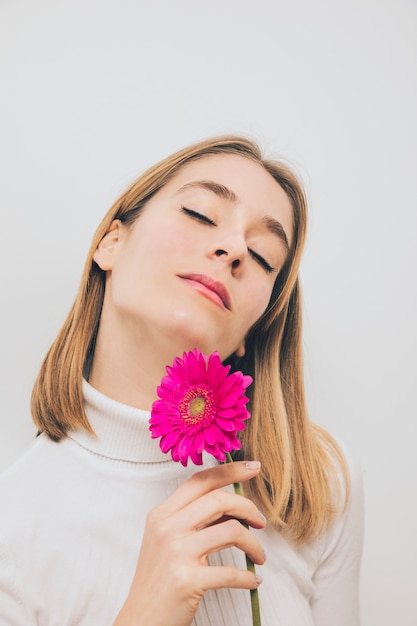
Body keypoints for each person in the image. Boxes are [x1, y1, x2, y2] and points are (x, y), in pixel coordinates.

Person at [0, 135, 364, 625]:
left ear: (250, 332)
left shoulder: (317, 482)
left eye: (262, 257)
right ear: (112, 243)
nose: (235, 247)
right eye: (200, 213)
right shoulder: (13, 525)